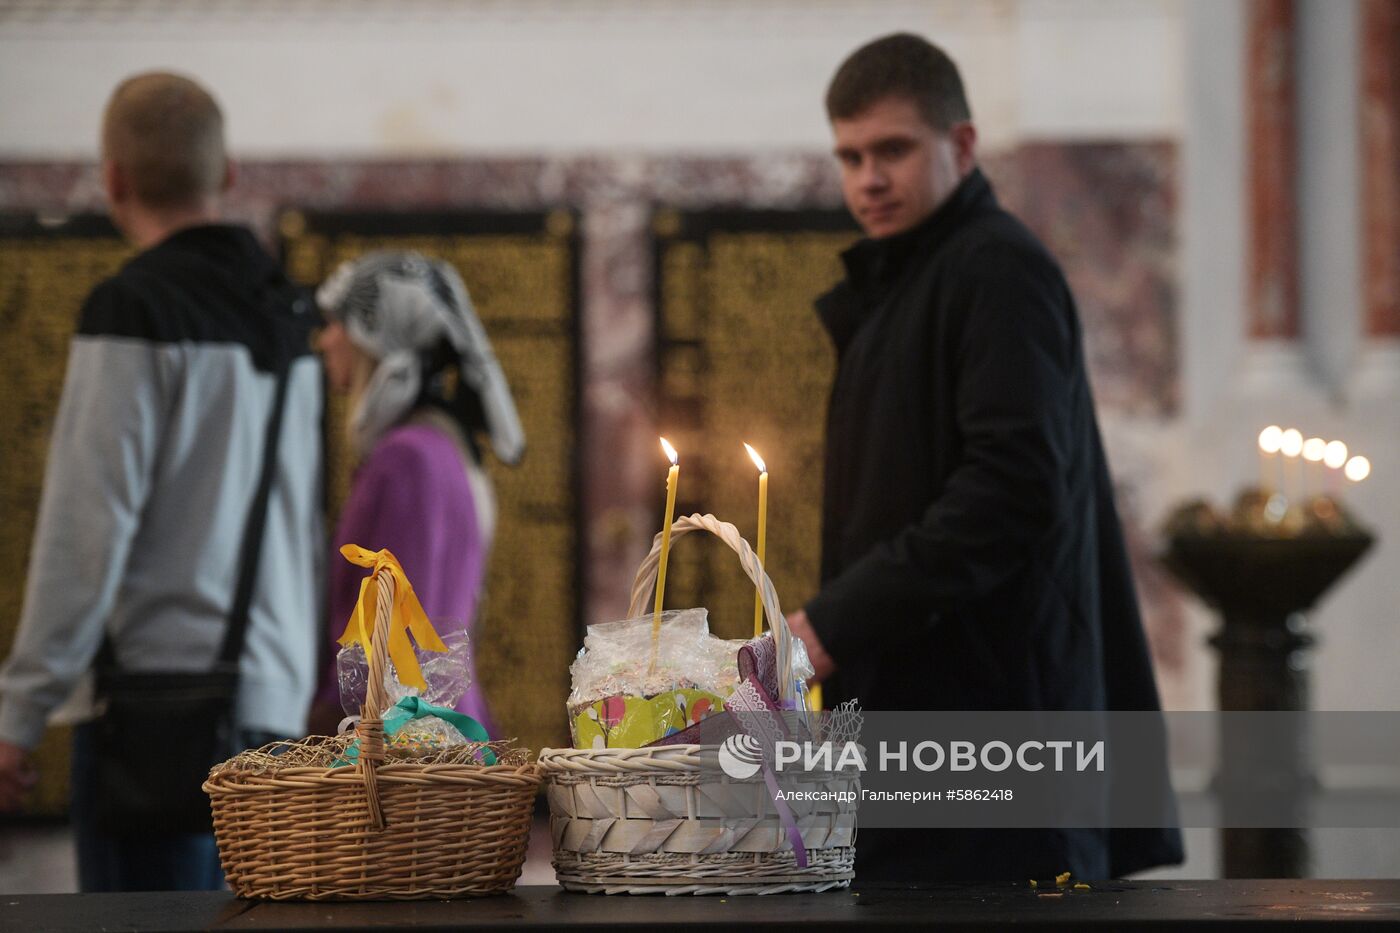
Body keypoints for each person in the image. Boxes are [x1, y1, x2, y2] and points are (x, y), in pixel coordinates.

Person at [784, 33, 1183, 880]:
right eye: (850, 156)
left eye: (892, 149)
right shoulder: (909, 279)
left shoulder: (997, 268)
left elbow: (1011, 489)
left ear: (960, 145)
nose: (868, 178)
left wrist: (833, 621)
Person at [0, 72, 323, 890]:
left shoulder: (131, 308)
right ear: (229, 174)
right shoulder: (293, 320)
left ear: (112, 178)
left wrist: (18, 714)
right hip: (274, 715)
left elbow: (86, 526)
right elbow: (306, 532)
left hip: (155, 718)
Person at [310, 252, 524, 737]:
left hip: (408, 749)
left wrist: (323, 725)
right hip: (428, 738)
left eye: (334, 323)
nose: (325, 340)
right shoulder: (432, 447)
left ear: (372, 332)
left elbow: (392, 635)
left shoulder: (408, 460)